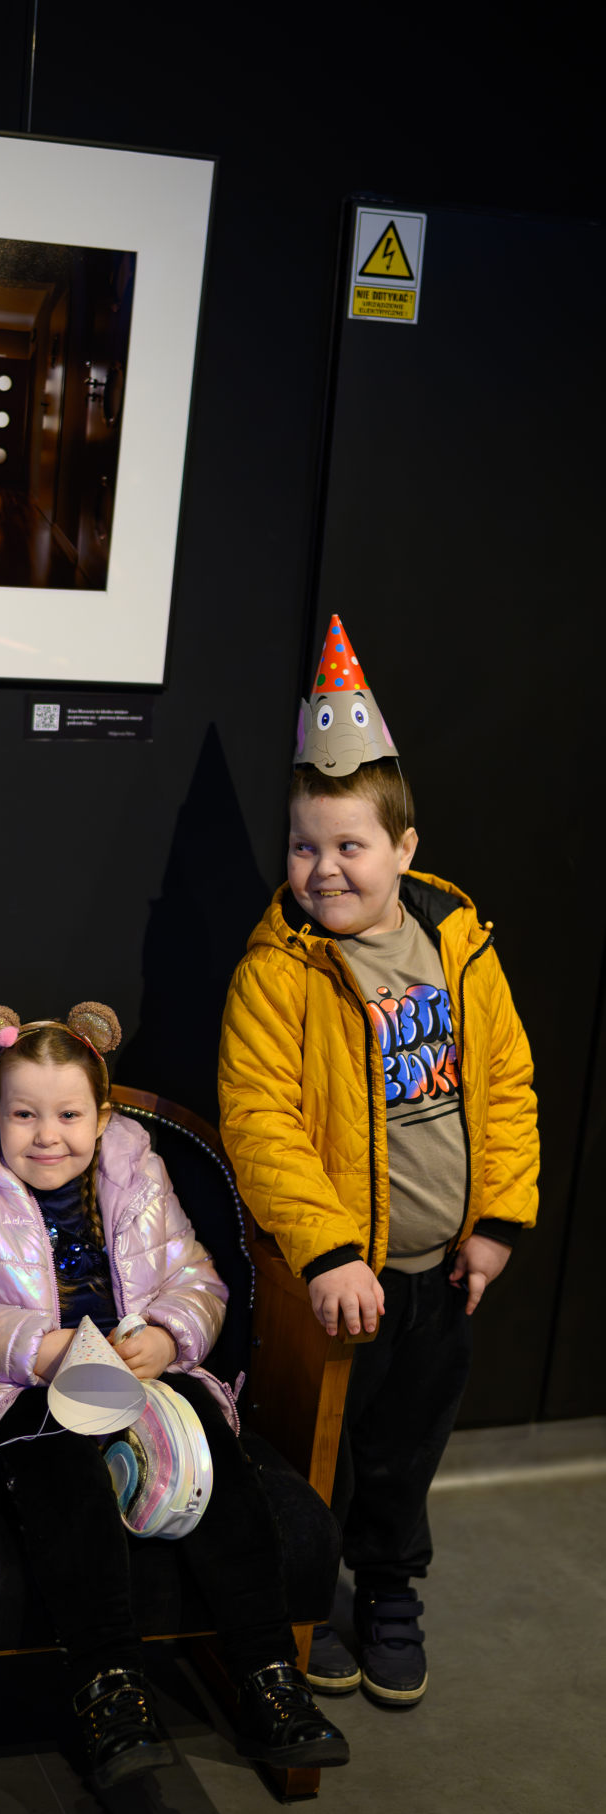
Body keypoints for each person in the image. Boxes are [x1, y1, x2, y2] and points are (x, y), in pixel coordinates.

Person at [0, 1001, 349, 1790]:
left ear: (101, 1117)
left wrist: (170, 1336)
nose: (47, 1135)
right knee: (60, 1453)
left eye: (69, 1115)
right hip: (9, 1389)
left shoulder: (139, 1174)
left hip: (138, 1377)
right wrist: (42, 1349)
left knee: (212, 1445)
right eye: (24, 1115)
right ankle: (108, 1688)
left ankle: (269, 1676)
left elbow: (197, 1279)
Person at [219, 616, 539, 1707]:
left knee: (407, 1450)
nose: (322, 870)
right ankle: (307, 1598)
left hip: (441, 1273)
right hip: (340, 1278)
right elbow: (258, 1120)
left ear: (403, 848)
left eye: (349, 847)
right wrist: (326, 1252)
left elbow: (505, 1087)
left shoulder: (457, 945)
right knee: (323, 1450)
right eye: (303, 846)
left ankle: (390, 1589)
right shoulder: (278, 970)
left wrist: (495, 1223)